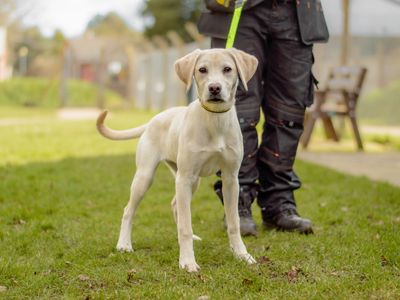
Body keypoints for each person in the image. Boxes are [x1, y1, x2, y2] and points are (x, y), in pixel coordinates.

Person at [197, 0, 329, 236]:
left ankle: (279, 205)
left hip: (296, 11)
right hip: (239, 8)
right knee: (239, 109)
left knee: (288, 110)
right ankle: (237, 204)